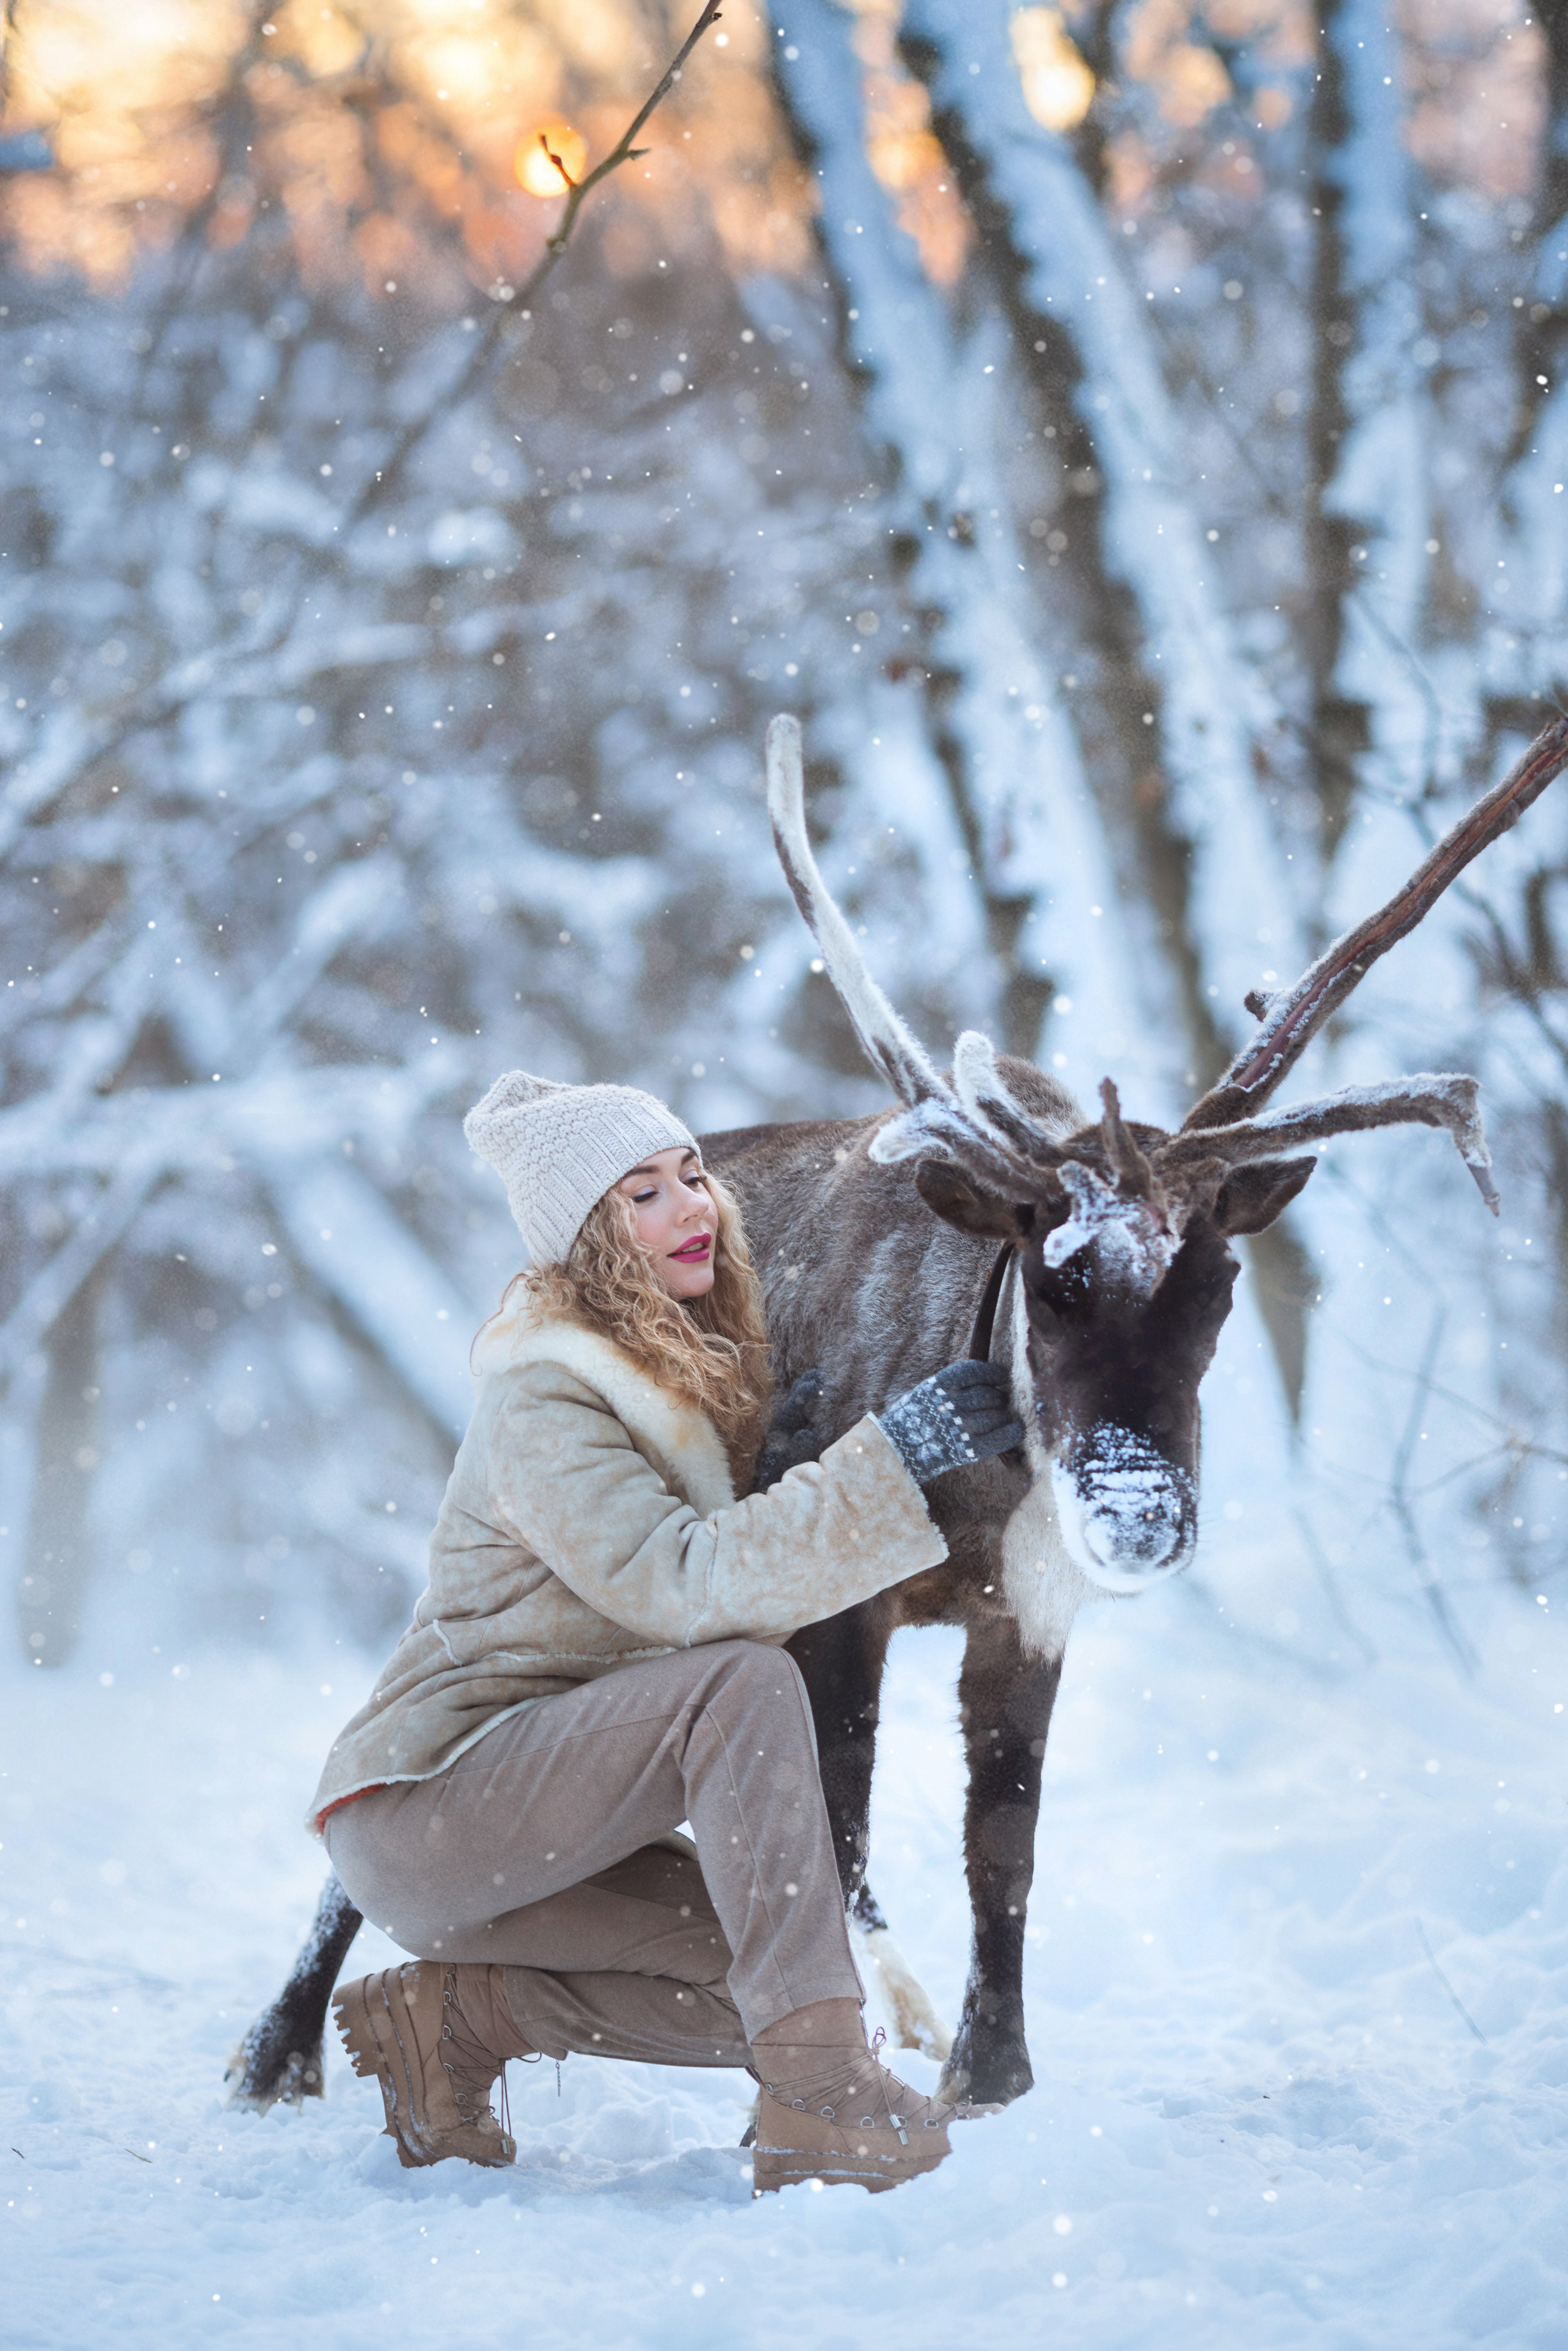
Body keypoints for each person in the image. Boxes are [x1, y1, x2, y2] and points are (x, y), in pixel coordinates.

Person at [314, 1069, 1021, 2194]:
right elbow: (681, 1586)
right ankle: (820, 2103)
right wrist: (886, 1457)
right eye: (641, 1191)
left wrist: (781, 1469)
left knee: (784, 1979)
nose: (694, 1204)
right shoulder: (546, 1394)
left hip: (551, 1821)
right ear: (588, 1237)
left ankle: (452, 2018)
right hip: (432, 1806)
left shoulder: (679, 1388)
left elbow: (705, 1564)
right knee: (737, 1684)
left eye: (692, 1173)